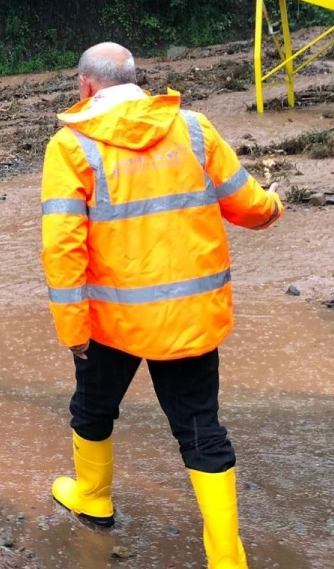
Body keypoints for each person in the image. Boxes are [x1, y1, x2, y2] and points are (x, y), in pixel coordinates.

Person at [39, 42, 282, 569]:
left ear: (86, 86)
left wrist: (71, 326)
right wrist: (274, 206)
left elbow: (62, 247)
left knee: (93, 409)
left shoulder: (72, 145)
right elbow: (248, 204)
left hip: (113, 322)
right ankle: (226, 559)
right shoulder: (193, 128)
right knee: (201, 430)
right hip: (190, 319)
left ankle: (94, 497)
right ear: (136, 80)